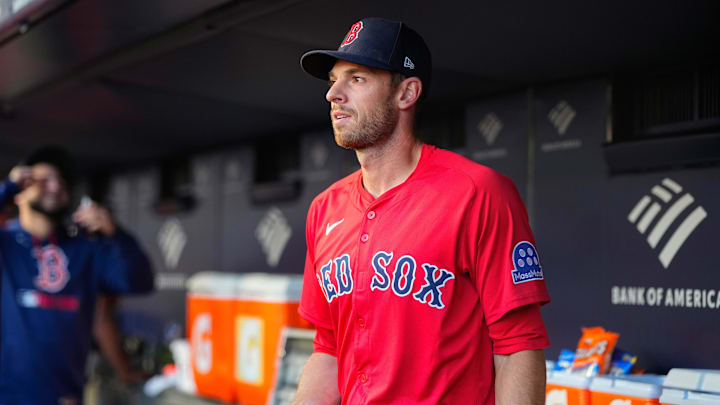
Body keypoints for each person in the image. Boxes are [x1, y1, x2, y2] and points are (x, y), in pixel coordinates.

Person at [292, 17, 551, 405]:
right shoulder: (324, 208)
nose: (334, 94)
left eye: (357, 79)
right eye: (333, 80)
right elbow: (328, 347)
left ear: (407, 93)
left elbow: (518, 347)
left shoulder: (479, 193)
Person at [0, 146, 154, 405]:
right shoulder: (6, 244)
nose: (56, 186)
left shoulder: (85, 248)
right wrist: (7, 187)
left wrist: (116, 235)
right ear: (20, 192)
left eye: (61, 180)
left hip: (66, 396)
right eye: (44, 179)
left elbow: (138, 281)